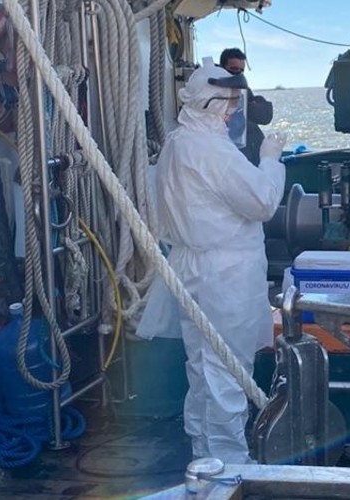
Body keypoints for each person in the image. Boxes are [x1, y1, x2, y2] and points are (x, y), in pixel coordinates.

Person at [135, 59, 287, 464]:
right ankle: (229, 466)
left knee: (202, 369)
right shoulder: (212, 152)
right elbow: (262, 202)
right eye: (231, 103)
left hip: (191, 268)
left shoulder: (176, 144)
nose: (235, 111)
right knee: (227, 371)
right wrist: (271, 159)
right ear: (211, 104)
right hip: (225, 274)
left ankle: (205, 457)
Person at [220, 48, 274, 165]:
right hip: (233, 156)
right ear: (222, 68)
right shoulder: (214, 94)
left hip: (254, 150)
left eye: (241, 71)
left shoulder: (244, 90)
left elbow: (264, 117)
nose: (237, 74)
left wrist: (253, 105)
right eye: (233, 70)